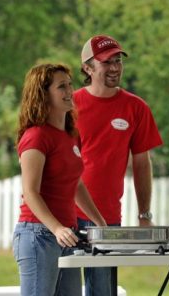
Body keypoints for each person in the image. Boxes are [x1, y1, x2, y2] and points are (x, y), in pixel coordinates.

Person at [74, 34, 163, 295]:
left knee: (102, 292)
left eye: (118, 61)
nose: (114, 67)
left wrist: (144, 214)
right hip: (66, 217)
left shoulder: (136, 108)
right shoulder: (70, 106)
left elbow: (142, 165)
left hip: (106, 220)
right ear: (87, 68)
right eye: (106, 62)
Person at [13, 63, 106, 296]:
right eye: (61, 87)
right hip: (39, 235)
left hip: (67, 236)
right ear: (43, 94)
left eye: (70, 85)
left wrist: (100, 223)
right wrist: (56, 228)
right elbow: (30, 192)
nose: (69, 92)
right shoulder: (36, 136)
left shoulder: (70, 135)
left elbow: (76, 184)